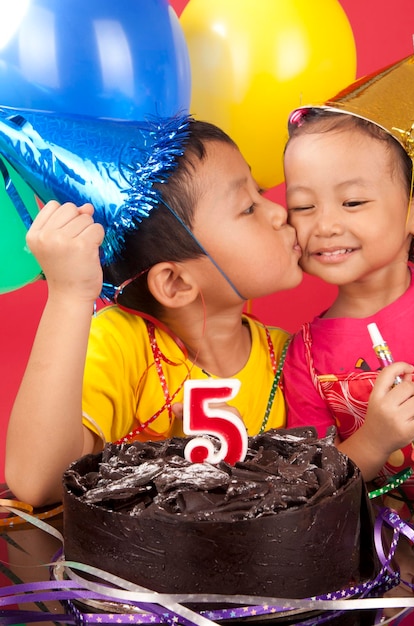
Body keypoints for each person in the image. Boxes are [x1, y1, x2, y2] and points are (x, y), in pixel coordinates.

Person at [5, 115, 303, 507]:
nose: (279, 212)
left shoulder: (288, 355)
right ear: (176, 283)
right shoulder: (122, 345)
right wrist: (69, 296)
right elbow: (37, 481)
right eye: (248, 207)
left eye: (260, 192)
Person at [283, 36, 414, 543]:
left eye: (352, 202)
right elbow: (313, 491)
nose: (325, 225)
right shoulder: (307, 359)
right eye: (304, 206)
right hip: (412, 567)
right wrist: (374, 440)